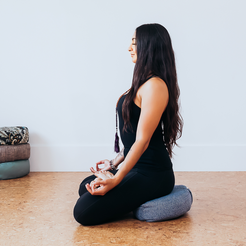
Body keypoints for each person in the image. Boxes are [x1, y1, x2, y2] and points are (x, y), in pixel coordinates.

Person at [73, 23, 183, 226]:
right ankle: (130, 200)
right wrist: (113, 164)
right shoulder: (143, 82)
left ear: (148, 46)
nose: (129, 48)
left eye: (134, 43)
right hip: (136, 168)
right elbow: (133, 136)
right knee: (85, 187)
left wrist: (116, 179)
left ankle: (170, 198)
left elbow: (143, 140)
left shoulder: (155, 86)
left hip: (153, 174)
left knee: (82, 212)